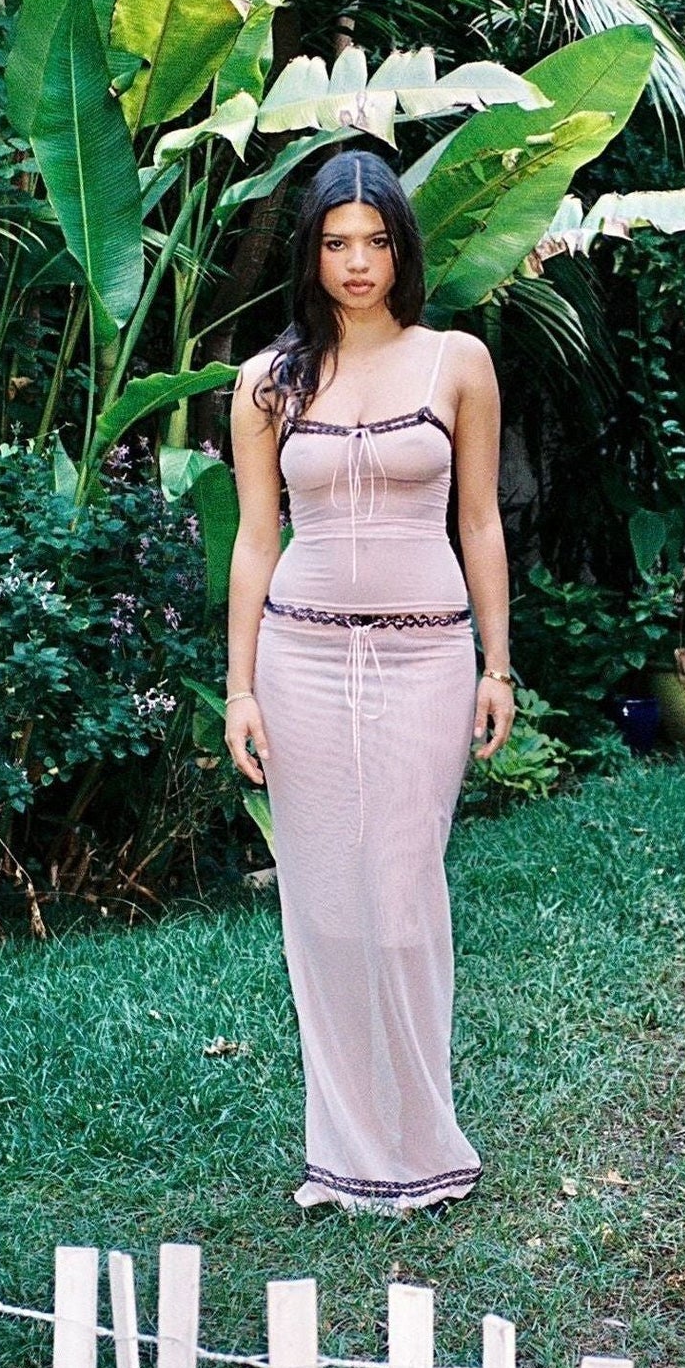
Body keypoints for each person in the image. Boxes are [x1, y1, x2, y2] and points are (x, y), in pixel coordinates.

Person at [226, 150, 516, 1212]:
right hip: (298, 658)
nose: (357, 262)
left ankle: (423, 1145)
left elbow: (478, 522)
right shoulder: (266, 382)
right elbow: (254, 541)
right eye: (336, 242)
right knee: (323, 909)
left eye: (376, 241)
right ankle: (343, 1156)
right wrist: (239, 688)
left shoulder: (455, 363)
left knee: (399, 901)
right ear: (310, 254)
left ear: (403, 250)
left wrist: (496, 665)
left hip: (425, 656)